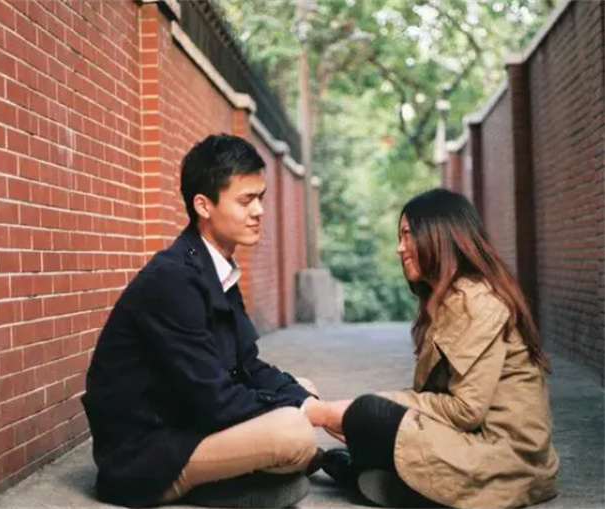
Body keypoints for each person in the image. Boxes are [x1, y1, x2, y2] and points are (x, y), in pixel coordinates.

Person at [81, 134, 325, 508]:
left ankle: (233, 477)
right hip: (142, 456)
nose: (259, 210)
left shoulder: (217, 269)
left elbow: (247, 367)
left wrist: (312, 405)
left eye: (260, 197)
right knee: (293, 432)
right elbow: (214, 400)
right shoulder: (172, 279)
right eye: (246, 200)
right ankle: (203, 483)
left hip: (187, 422)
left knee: (302, 390)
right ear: (203, 205)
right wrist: (306, 413)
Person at [315, 188, 560, 508]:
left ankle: (384, 477)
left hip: (505, 459)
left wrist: (360, 409)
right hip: (476, 442)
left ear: (439, 235)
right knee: (369, 417)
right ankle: (382, 475)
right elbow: (436, 400)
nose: (399, 248)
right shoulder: (452, 299)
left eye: (407, 235)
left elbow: (464, 410)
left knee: (367, 413)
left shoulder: (476, 302)